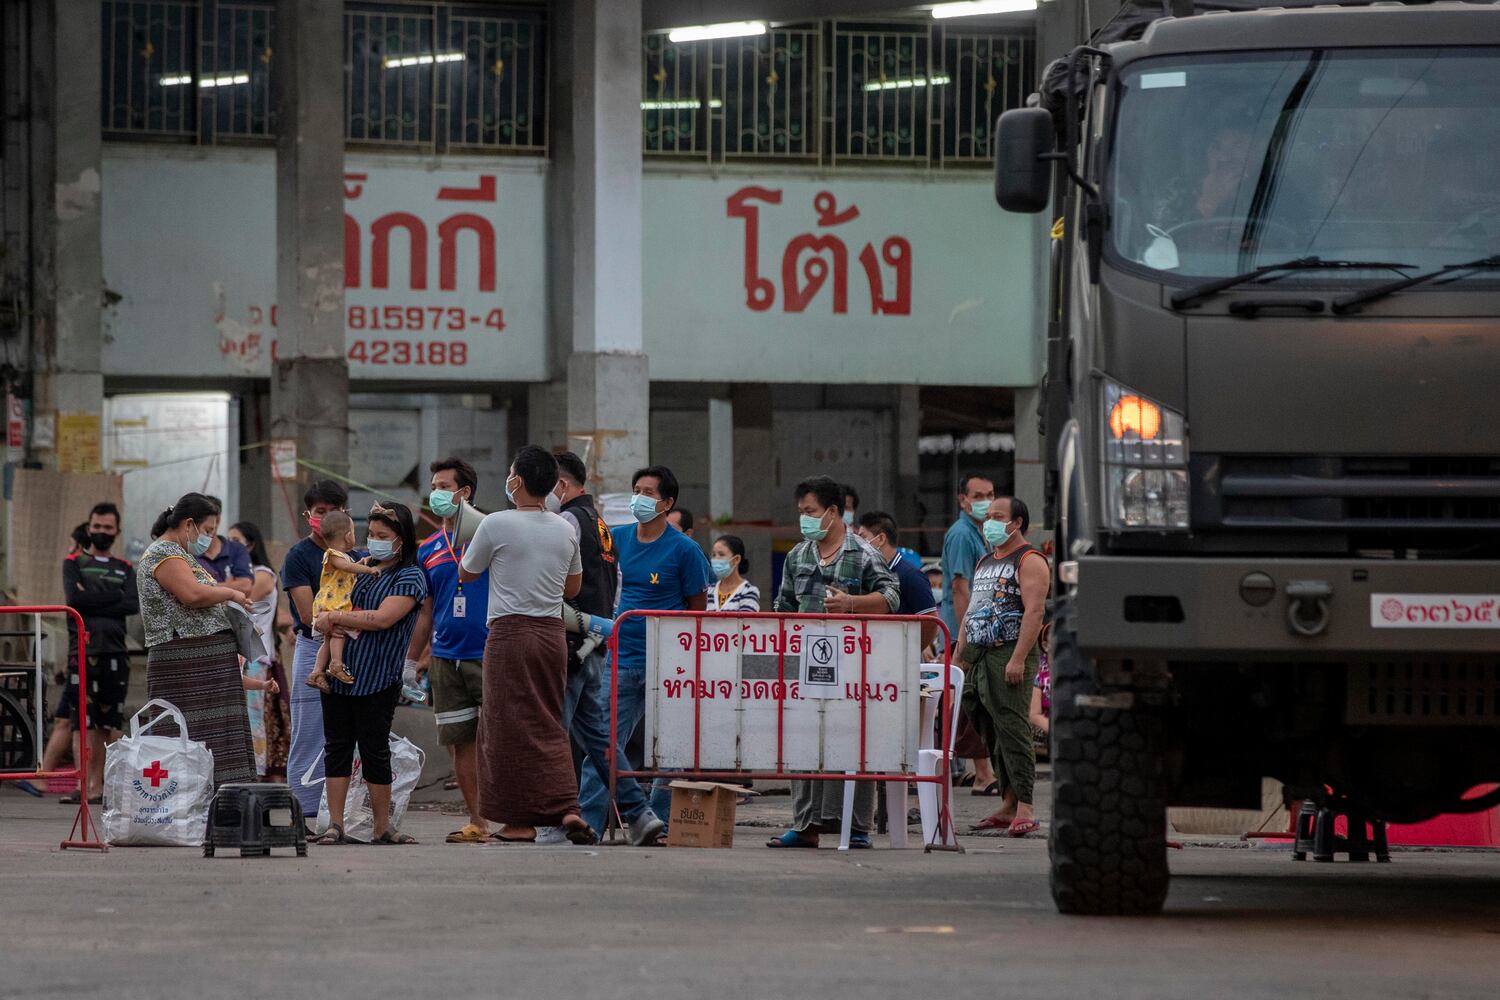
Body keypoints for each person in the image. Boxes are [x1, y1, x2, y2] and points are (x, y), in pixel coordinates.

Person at [459, 446, 595, 845]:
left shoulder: (497, 524)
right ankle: (566, 807)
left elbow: (468, 573)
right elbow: (573, 587)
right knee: (548, 721)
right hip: (552, 634)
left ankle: (518, 823)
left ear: (516, 481)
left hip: (510, 634)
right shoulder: (565, 527)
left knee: (504, 726)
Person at [578, 465, 714, 837]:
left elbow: (697, 608)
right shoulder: (616, 539)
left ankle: (658, 821)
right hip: (620, 659)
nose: (639, 497)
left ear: (667, 503)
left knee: (671, 750)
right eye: (636, 489)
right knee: (602, 743)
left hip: (669, 664)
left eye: (649, 492)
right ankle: (589, 822)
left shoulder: (685, 551)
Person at [768, 476, 899, 850]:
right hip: (805, 664)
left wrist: (852, 605)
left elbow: (892, 595)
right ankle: (805, 824)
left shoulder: (863, 552)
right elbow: (784, 607)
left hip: (854, 666)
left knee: (852, 741)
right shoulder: (798, 555)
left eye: (810, 512)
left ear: (833, 512)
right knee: (803, 742)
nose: (805, 520)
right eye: (801, 513)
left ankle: (855, 828)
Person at [553, 453, 666, 847]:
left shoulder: (566, 521)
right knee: (599, 739)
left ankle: (558, 818)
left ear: (561, 486)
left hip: (571, 640)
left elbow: (559, 584)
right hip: (595, 641)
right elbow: (614, 589)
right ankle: (639, 814)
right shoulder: (602, 525)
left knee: (555, 731)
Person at [309, 502, 429, 845]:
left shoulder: (410, 576)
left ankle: (382, 827)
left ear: (401, 540)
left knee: (375, 749)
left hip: (379, 676)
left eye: (382, 536)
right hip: (339, 674)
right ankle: (335, 824)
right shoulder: (358, 566)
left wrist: (334, 618)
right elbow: (329, 595)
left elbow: (382, 619)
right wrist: (326, 616)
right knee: (337, 747)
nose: (373, 541)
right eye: (370, 534)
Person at [135, 493, 258, 788]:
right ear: (188, 524)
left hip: (205, 660)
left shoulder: (179, 555)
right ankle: (190, 802)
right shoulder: (163, 554)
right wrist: (231, 594)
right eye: (207, 531)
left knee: (218, 735)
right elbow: (192, 595)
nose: (208, 539)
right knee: (186, 734)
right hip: (186, 660)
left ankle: (223, 801)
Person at [406, 457, 493, 845]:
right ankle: (477, 821)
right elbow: (425, 611)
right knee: (461, 740)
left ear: (465, 492)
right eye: (434, 486)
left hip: (490, 653)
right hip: (445, 657)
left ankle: (512, 815)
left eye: (444, 487)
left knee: (501, 739)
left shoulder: (491, 536)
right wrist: (412, 659)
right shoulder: (429, 549)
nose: (437, 494)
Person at [959, 497, 1050, 838]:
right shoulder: (986, 560)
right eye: (988, 517)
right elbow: (972, 609)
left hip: (1008, 652)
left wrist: (1017, 657)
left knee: (1012, 727)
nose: (989, 522)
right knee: (987, 726)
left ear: (1018, 523)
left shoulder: (1029, 560)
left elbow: (1034, 612)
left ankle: (1025, 805)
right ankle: (1007, 801)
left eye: (998, 517)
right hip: (979, 654)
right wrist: (960, 653)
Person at [42, 502, 138, 804]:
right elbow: (74, 600)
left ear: (117, 532)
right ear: (89, 527)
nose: (101, 532)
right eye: (97, 527)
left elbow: (131, 604)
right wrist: (112, 598)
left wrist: (92, 597)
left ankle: (102, 786)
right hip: (82, 653)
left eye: (108, 528)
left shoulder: (126, 568)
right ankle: (86, 786)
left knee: (109, 725)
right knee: (83, 723)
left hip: (116, 653)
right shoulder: (73, 563)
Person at [281, 479, 354, 815]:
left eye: (332, 511)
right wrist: (356, 620)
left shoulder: (355, 553)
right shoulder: (298, 556)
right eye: (319, 511)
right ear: (307, 514)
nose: (325, 518)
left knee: (351, 733)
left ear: (346, 515)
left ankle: (347, 809)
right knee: (310, 733)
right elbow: (311, 615)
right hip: (314, 648)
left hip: (354, 645)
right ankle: (305, 809)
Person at [940, 473, 1001, 796]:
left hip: (976, 627)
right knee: (970, 699)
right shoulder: (963, 534)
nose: (985, 501)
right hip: (963, 628)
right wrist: (968, 634)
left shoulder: (981, 533)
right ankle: (981, 772)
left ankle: (979, 770)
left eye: (990, 494)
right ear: (962, 500)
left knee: (968, 700)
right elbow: (960, 587)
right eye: (978, 495)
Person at [229, 520, 288, 781]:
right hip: (236, 655)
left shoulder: (262, 573)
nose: (229, 546)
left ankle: (255, 775)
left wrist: (212, 586)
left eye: (236, 541)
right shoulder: (233, 574)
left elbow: (243, 593)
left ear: (250, 545)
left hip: (254, 658)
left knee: (254, 722)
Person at [304, 511, 382, 691]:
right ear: (348, 536)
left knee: (328, 639)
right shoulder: (332, 554)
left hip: (332, 604)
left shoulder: (344, 556)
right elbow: (346, 567)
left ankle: (316, 672)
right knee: (337, 634)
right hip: (332, 604)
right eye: (354, 532)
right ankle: (336, 665)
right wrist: (369, 570)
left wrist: (365, 561)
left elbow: (349, 567)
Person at [856, 511, 940, 650]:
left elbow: (930, 621)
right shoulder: (866, 574)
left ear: (881, 539)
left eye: (862, 538)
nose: (857, 545)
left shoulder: (910, 575)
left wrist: (910, 652)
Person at [196, 496, 254, 597]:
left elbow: (245, 587)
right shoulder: (188, 552)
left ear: (217, 520)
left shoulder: (236, 549)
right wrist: (230, 586)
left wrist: (205, 586)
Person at [707, 534, 760, 612]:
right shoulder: (709, 590)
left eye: (721, 554)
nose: (716, 559)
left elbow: (745, 622)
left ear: (736, 559)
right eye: (714, 555)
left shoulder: (748, 591)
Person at [1028, 622, 1053, 740]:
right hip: (1046, 726)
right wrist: (1058, 731)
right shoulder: (1038, 674)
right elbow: (1034, 715)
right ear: (1046, 646)